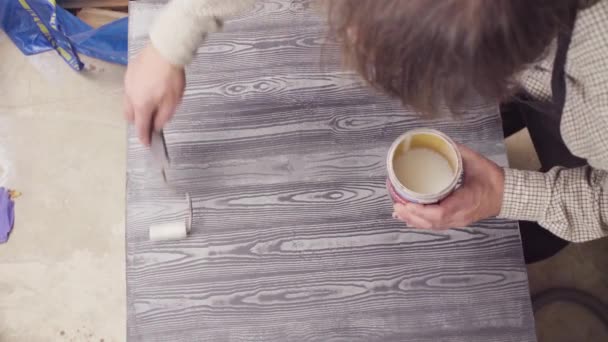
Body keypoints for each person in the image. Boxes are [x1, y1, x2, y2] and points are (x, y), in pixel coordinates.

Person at [125, 0, 608, 263]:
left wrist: (513, 197)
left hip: (584, 119)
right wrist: (174, 36)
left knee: (517, 245)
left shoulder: (599, 89)